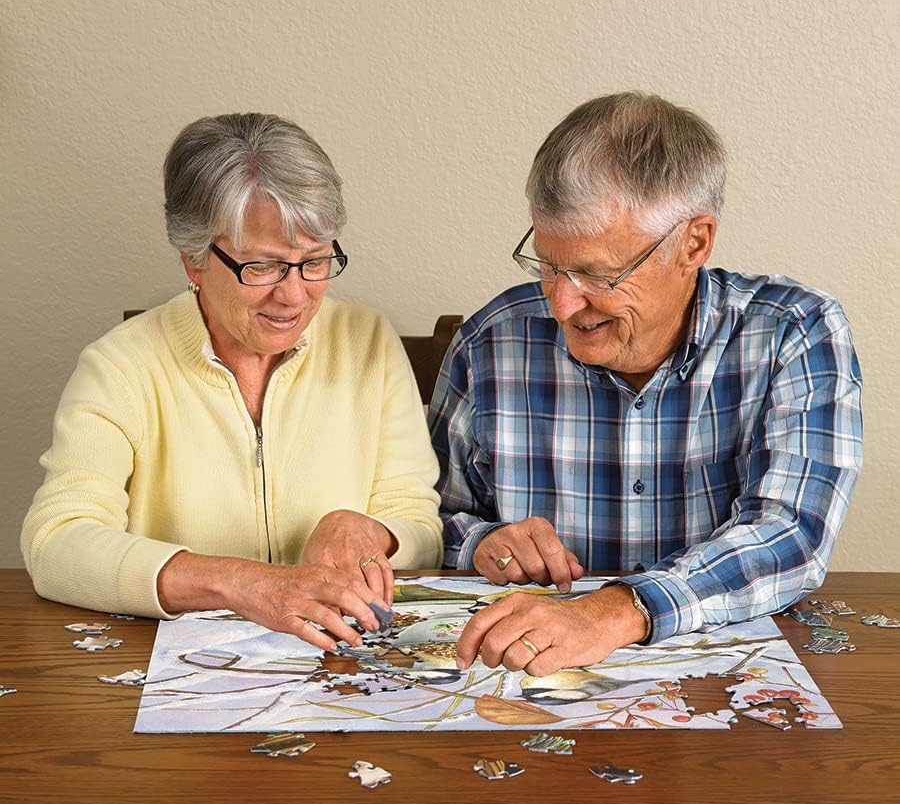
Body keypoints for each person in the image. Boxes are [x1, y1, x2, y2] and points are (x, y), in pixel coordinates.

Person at [429, 92, 863, 677]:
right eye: (549, 265)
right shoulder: (491, 342)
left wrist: (618, 611)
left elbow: (792, 535)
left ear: (695, 243)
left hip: (719, 682)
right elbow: (432, 515)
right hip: (528, 678)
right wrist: (482, 542)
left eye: (598, 274)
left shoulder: (793, 333)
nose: (562, 303)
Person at [22, 112, 443, 652]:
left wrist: (371, 531)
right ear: (194, 261)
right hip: (180, 672)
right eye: (262, 267)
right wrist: (240, 581)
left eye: (314, 261)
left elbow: (420, 524)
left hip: (340, 669)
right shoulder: (121, 365)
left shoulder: (366, 341)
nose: (293, 296)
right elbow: (55, 542)